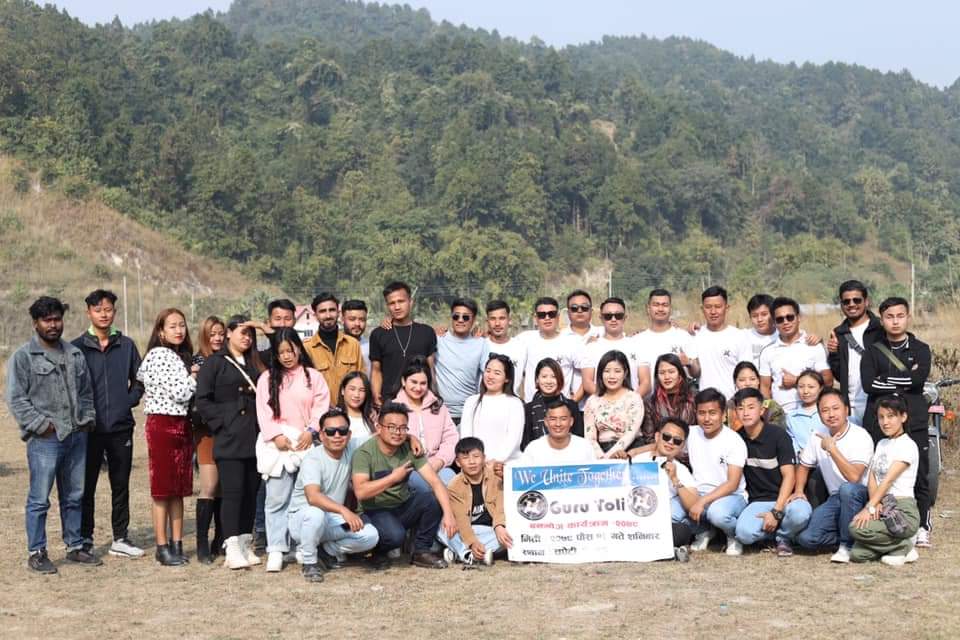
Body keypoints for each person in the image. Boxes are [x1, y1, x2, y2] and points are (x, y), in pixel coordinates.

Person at [7, 296, 98, 574]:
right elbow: (16, 399)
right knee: (39, 499)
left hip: (76, 436)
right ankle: (37, 552)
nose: (53, 325)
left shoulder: (74, 354)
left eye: (57, 319)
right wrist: (41, 425)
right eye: (47, 320)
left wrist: (87, 419)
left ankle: (74, 546)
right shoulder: (24, 357)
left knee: (74, 496)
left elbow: (86, 392)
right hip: (45, 440)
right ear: (35, 323)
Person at [73, 289, 144, 559]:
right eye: (98, 310)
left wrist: (127, 402)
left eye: (108, 309)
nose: (103, 314)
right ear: (88, 313)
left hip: (120, 428)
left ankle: (120, 538)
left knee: (120, 484)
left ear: (114, 312)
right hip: (88, 430)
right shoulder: (77, 347)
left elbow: (140, 380)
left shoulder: (126, 345)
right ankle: (85, 538)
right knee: (86, 486)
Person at [860, 296, 933, 546]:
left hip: (915, 420)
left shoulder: (921, 349)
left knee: (920, 474)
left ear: (908, 317)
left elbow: (919, 381)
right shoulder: (872, 351)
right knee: (878, 471)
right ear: (881, 320)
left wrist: (885, 381)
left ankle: (922, 526)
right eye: (889, 316)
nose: (895, 321)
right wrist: (905, 381)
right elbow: (868, 384)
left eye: (900, 316)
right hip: (879, 421)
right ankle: (880, 518)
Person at [255, 328, 330, 572]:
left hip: (306, 444)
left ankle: (300, 544)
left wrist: (312, 430)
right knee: (277, 497)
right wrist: (276, 436)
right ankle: (276, 548)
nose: (287, 356)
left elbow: (321, 405)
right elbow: (263, 411)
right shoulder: (267, 379)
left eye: (290, 350)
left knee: (304, 498)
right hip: (279, 446)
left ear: (299, 348)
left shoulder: (313, 377)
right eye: (281, 352)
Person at [195, 316, 266, 569]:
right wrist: (224, 422)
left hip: (254, 436)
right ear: (228, 333)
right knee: (233, 493)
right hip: (229, 438)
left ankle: (245, 543)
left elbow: (282, 348)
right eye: (242, 332)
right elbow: (203, 400)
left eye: (251, 334)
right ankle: (232, 545)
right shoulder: (215, 363)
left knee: (250, 493)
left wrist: (265, 328)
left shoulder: (256, 362)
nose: (247, 338)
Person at [351, 402, 457, 569]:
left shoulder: (410, 448)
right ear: (379, 427)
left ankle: (421, 551)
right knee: (395, 536)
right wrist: (393, 478)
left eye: (402, 428)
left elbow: (435, 482)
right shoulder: (364, 453)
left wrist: (449, 514)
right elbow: (361, 492)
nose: (397, 432)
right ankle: (376, 552)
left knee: (431, 499)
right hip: (373, 510)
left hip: (401, 505)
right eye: (392, 427)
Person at [287, 408, 380, 582]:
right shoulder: (313, 459)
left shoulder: (351, 447)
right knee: (316, 514)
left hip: (332, 522)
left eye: (342, 431)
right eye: (330, 431)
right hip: (303, 520)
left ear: (349, 434)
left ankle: (326, 551)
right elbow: (313, 497)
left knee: (370, 535)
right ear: (322, 436)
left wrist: (410, 437)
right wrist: (344, 511)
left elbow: (380, 436)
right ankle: (310, 563)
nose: (337, 435)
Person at [137, 308, 198, 566]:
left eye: (181, 325)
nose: (179, 330)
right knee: (163, 490)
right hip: (163, 424)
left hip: (181, 424)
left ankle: (177, 543)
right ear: (161, 331)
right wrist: (194, 375)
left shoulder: (178, 356)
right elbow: (180, 393)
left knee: (178, 490)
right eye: (172, 326)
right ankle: (162, 547)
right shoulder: (159, 355)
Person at [792, 388, 873, 563]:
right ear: (820, 415)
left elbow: (854, 478)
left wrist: (832, 449)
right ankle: (854, 537)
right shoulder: (817, 435)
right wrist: (798, 490)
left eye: (836, 408)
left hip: (861, 495)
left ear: (846, 410)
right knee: (807, 539)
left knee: (847, 489)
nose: (831, 414)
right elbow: (804, 465)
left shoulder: (860, 436)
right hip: (836, 498)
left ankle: (846, 546)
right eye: (825, 410)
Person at [731, 388, 811, 557]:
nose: (745, 412)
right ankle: (774, 533)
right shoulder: (736, 439)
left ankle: (783, 537)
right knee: (744, 534)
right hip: (758, 501)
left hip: (786, 498)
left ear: (761, 410)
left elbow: (789, 476)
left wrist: (776, 511)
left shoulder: (778, 435)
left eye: (751, 407)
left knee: (801, 514)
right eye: (740, 408)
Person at [849, 395, 921, 565]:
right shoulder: (881, 443)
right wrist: (877, 504)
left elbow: (888, 480)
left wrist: (869, 507)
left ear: (903, 417)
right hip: (883, 506)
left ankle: (905, 543)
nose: (885, 422)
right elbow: (872, 476)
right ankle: (899, 545)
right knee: (857, 554)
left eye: (891, 416)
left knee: (855, 528)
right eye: (881, 417)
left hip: (902, 510)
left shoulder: (907, 445)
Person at [685, 388, 748, 555]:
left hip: (731, 496)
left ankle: (734, 535)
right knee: (673, 510)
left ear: (723, 415)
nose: (706, 419)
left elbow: (732, 484)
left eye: (712, 413)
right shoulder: (691, 433)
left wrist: (702, 501)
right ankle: (704, 531)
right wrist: (633, 452)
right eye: (701, 413)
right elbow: (665, 445)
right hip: (699, 493)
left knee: (717, 514)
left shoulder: (734, 440)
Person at [631, 417, 698, 560]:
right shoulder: (636, 461)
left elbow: (693, 506)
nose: (670, 443)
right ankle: (664, 549)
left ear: (682, 445)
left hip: (661, 524)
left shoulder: (681, 470)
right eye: (666, 437)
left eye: (677, 441)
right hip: (634, 521)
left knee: (683, 531)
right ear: (657, 436)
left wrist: (675, 479)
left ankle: (652, 547)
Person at [439, 437, 513, 565]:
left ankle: (459, 552)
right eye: (465, 458)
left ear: (484, 458)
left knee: (510, 533)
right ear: (458, 462)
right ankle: (469, 554)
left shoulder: (495, 477)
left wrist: (499, 526)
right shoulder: (454, 486)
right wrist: (472, 542)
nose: (472, 462)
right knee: (442, 530)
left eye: (476, 456)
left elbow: (500, 506)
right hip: (467, 529)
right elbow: (461, 520)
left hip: (491, 529)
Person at [390, 357, 458, 492]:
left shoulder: (438, 406)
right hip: (407, 469)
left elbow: (451, 438)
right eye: (413, 382)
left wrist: (440, 461)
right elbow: (386, 441)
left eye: (423, 383)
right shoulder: (393, 407)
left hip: (437, 464)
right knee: (424, 489)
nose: (418, 388)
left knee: (452, 481)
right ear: (403, 381)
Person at [191, 315, 226, 564]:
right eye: (212, 334)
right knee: (210, 485)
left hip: (230, 430)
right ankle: (202, 542)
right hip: (206, 430)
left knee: (224, 485)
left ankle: (220, 538)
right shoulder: (198, 362)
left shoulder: (229, 359)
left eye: (221, 333)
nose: (217, 338)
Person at [759, 297, 833, 413]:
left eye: (790, 317)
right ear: (774, 323)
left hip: (812, 413)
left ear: (798, 317)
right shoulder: (767, 352)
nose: (785, 322)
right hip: (780, 416)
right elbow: (764, 388)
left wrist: (797, 381)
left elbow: (828, 381)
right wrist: (769, 413)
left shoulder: (813, 346)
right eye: (780, 319)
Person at [369, 282, 437, 405]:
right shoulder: (378, 334)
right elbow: (376, 370)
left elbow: (430, 368)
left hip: (421, 401)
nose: (397, 307)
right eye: (392, 303)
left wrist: (434, 397)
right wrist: (376, 398)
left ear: (410, 302)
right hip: (389, 402)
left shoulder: (427, 332)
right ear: (387, 306)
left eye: (401, 301)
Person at [826, 280, 882, 426]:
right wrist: (833, 353)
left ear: (866, 302)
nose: (851, 304)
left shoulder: (881, 329)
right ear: (841, 305)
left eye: (856, 300)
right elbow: (839, 374)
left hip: (877, 402)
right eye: (846, 301)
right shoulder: (839, 333)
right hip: (850, 406)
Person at [460, 354, 526, 470]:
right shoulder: (471, 402)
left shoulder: (515, 403)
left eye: (497, 373)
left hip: (506, 466)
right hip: (476, 466)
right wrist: (477, 461)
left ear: (507, 378)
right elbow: (466, 438)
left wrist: (496, 461)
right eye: (488, 371)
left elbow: (513, 439)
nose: (490, 376)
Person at [578, 297, 651, 398]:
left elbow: (646, 382)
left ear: (624, 318)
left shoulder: (638, 346)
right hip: (601, 404)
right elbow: (587, 382)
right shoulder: (591, 348)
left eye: (618, 316)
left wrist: (630, 401)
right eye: (608, 316)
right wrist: (609, 401)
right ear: (601, 318)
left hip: (631, 404)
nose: (613, 319)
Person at [435, 298, 488, 424]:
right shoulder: (438, 340)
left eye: (465, 317)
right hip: (440, 411)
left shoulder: (481, 344)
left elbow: (487, 376)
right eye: (456, 316)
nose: (460, 320)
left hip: (469, 413)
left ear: (473, 320)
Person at [303, 293, 362, 406]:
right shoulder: (307, 348)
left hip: (351, 409)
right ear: (315, 315)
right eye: (322, 311)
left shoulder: (353, 344)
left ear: (338, 312)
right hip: (322, 411)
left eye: (332, 310)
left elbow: (361, 380)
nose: (328, 315)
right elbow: (306, 386)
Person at [583, 350, 644, 459]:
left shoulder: (634, 398)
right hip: (601, 453)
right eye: (607, 371)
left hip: (630, 451)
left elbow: (631, 432)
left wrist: (610, 457)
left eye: (617, 371)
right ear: (601, 374)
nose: (612, 376)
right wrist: (601, 458)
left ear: (625, 373)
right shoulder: (592, 401)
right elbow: (589, 437)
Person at [691, 286, 749, 400]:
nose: (713, 312)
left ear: (727, 308)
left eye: (718, 307)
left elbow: (746, 373)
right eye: (708, 307)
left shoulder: (739, 337)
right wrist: (689, 363)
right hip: (706, 403)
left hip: (734, 402)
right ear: (702, 309)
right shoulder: (696, 336)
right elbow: (695, 373)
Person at [517, 297, 580, 401]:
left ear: (558, 317)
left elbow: (587, 375)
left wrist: (572, 402)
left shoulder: (572, 342)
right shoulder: (524, 339)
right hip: (533, 407)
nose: (547, 318)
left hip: (561, 407)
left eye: (551, 314)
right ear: (535, 318)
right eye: (542, 315)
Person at [632, 288, 700, 379]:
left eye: (665, 305)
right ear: (648, 308)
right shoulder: (636, 340)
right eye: (656, 305)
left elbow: (697, 373)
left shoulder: (683, 337)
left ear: (670, 308)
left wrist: (689, 363)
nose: (660, 309)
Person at [521, 358, 583, 450]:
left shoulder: (571, 406)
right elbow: (525, 444)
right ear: (537, 379)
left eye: (553, 377)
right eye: (544, 377)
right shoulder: (528, 409)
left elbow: (579, 440)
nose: (549, 381)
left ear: (559, 379)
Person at [640, 353, 697, 447]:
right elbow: (649, 438)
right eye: (662, 373)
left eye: (671, 372)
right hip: (662, 451)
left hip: (691, 449)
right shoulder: (650, 403)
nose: (667, 377)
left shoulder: (694, 398)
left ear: (680, 373)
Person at [518, 399, 596, 465]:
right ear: (545, 422)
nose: (558, 424)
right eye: (553, 419)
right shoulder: (533, 449)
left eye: (563, 419)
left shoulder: (584, 447)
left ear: (571, 421)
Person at [560, 290, 603, 399]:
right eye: (574, 308)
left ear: (591, 311)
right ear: (568, 312)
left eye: (584, 307)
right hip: (569, 402)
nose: (579, 311)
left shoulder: (603, 334)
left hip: (601, 400)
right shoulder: (560, 338)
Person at [726, 361, 786, 431]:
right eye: (742, 380)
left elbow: (778, 434)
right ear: (735, 382)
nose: (748, 383)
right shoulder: (728, 407)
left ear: (758, 381)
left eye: (752, 379)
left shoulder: (771, 406)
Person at [484, 300, 526, 397]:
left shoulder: (521, 346)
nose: (497, 323)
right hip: (485, 402)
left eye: (502, 318)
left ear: (509, 320)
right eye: (493, 319)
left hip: (512, 402)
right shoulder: (480, 346)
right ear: (487, 322)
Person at [786, 370, 827, 455]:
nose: (805, 391)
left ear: (821, 388)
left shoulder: (828, 412)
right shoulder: (791, 417)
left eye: (811, 387)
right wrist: (799, 453)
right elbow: (792, 442)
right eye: (801, 387)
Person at [337, 371, 377, 447]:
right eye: (352, 389)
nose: (356, 395)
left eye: (362, 390)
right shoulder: (334, 417)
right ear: (342, 390)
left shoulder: (372, 418)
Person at [258, 299, 297, 368]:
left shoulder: (305, 348)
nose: (282, 324)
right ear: (269, 322)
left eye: (287, 319)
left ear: (294, 321)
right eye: (277, 319)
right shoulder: (259, 350)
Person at [341, 299, 371, 377]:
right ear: (342, 320)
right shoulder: (336, 345)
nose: (357, 324)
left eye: (362, 320)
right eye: (352, 319)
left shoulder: (371, 346)